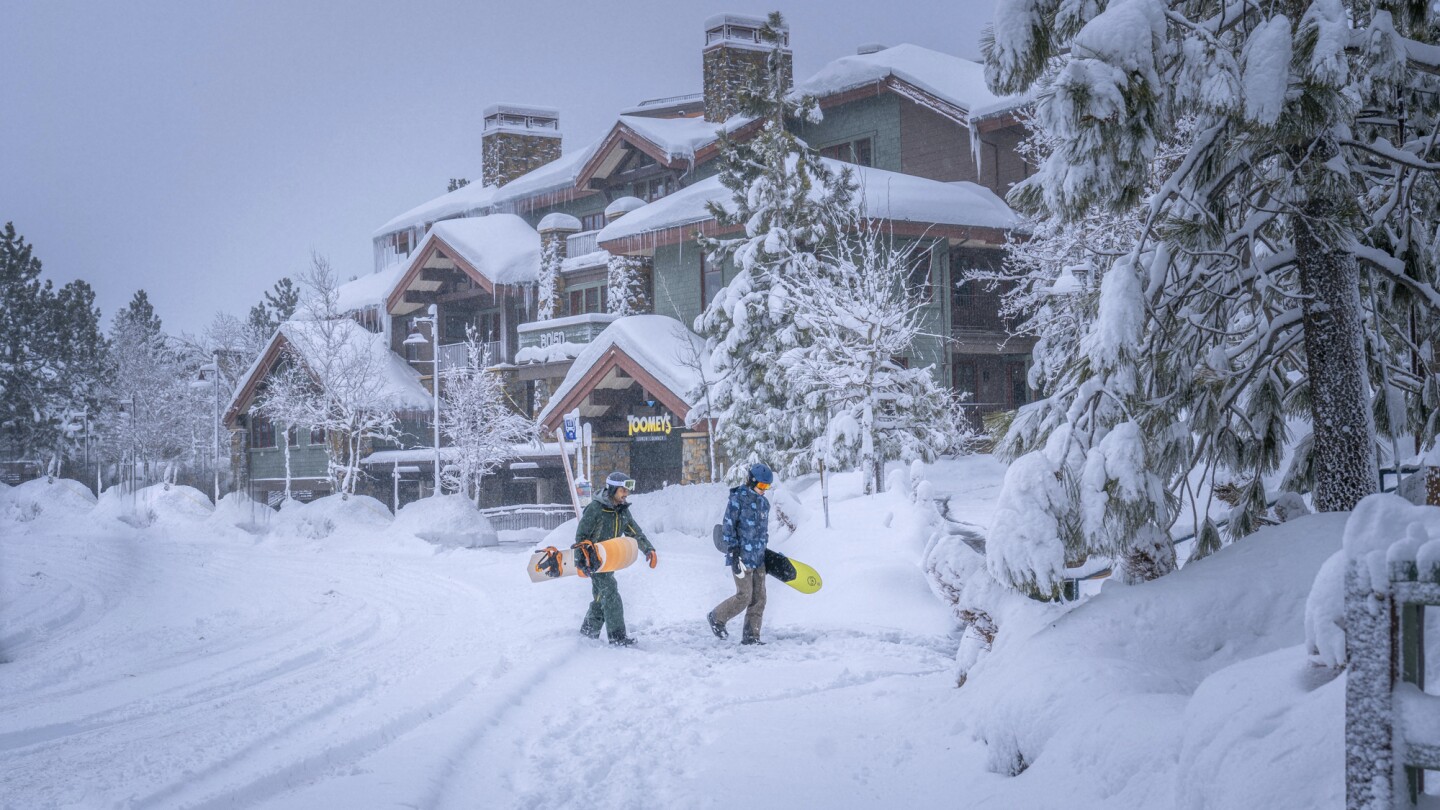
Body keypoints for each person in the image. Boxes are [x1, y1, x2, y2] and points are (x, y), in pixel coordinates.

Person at [575, 470, 656, 647]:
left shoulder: (622, 510)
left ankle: (588, 632)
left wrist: (648, 549)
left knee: (600, 598)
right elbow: (581, 536)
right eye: (622, 491)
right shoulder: (596, 508)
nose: (625, 494)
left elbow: (635, 532)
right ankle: (617, 637)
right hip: (594, 560)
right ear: (612, 490)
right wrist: (581, 561)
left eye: (627, 491)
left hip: (610, 559)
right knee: (610, 594)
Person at [707, 462, 773, 645]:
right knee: (744, 595)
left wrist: (764, 551)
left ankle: (751, 636)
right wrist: (734, 552)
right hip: (741, 557)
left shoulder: (764, 503)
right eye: (761, 486)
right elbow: (728, 527)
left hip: (759, 558)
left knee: (759, 598)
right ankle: (716, 617)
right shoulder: (738, 499)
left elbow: (762, 531)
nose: (764, 490)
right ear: (751, 482)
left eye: (767, 486)